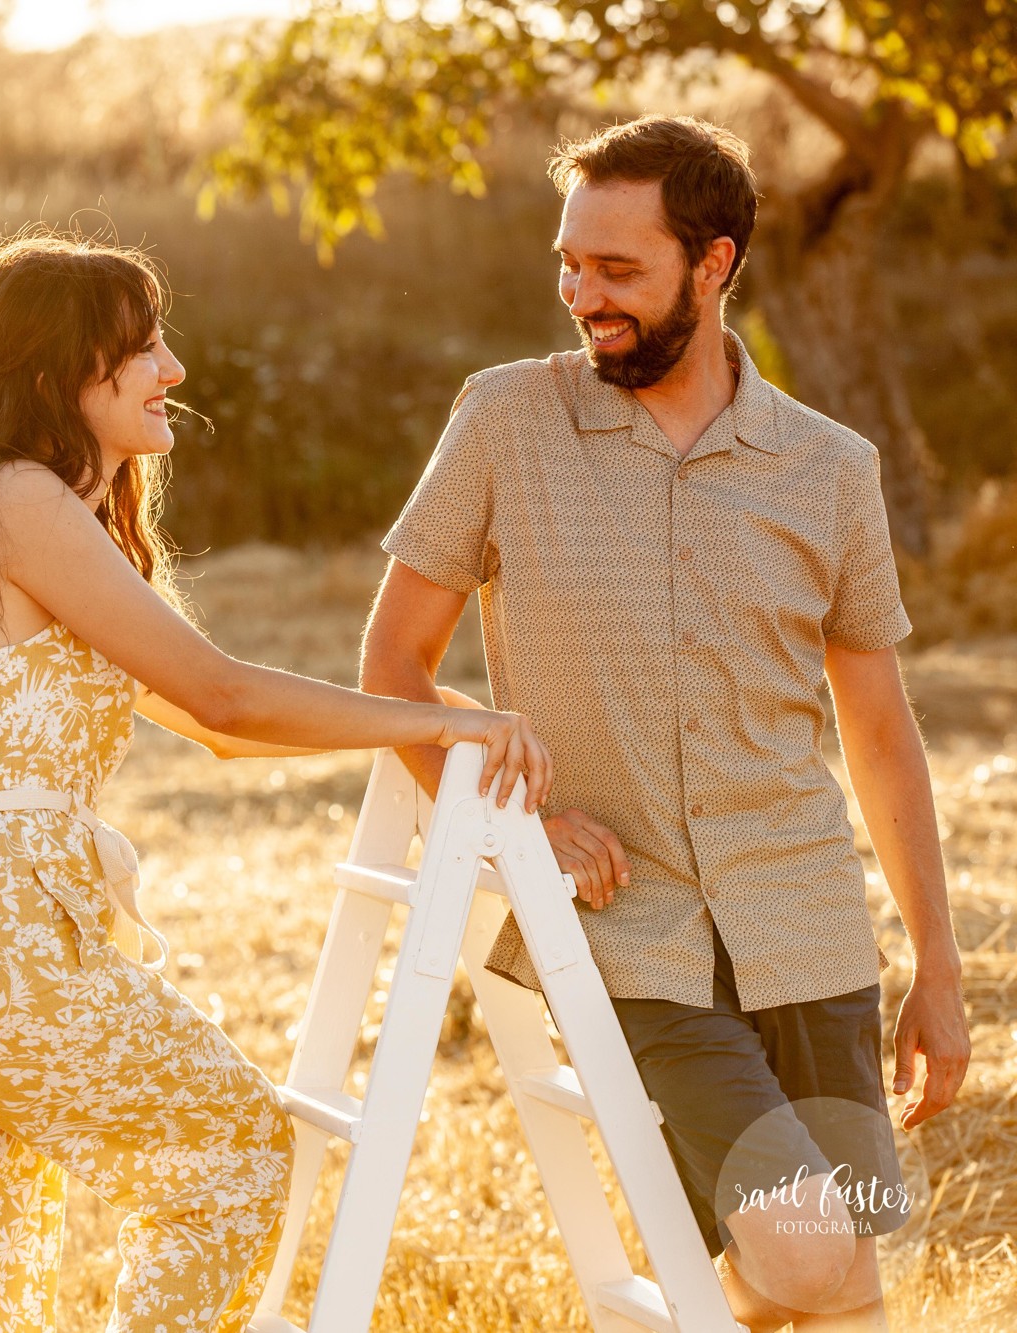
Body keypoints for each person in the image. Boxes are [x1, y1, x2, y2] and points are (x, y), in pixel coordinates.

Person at [0, 231, 551, 1333]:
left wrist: (437, 724)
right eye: (142, 349)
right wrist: (424, 713)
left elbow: (219, 728)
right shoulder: (22, 501)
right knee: (236, 1151)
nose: (173, 371)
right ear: (56, 377)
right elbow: (220, 696)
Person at [360, 115, 971, 1331]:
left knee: (842, 1290)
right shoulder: (501, 422)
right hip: (622, 927)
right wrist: (516, 822)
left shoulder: (828, 469)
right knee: (806, 1260)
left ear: (714, 263)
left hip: (806, 928)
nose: (582, 296)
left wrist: (936, 968)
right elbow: (392, 664)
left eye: (617, 269)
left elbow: (879, 733)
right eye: (567, 263)